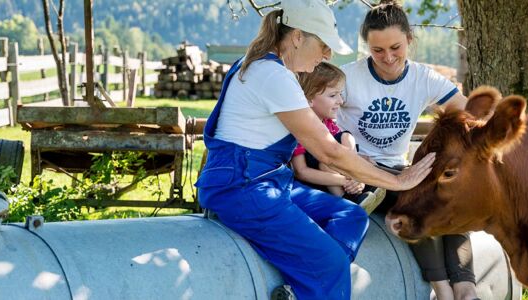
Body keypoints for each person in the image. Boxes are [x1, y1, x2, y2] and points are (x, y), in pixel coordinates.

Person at [194, 1, 435, 299]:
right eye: (323, 45)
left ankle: (300, 286)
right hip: (242, 189)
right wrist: (399, 181)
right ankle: (320, 274)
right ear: (297, 36)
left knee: (352, 217)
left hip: (267, 183)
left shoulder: (265, 67)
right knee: (330, 264)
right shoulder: (272, 75)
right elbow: (329, 152)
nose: (327, 55)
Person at [335, 2, 477, 300]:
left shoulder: (423, 78)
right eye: (377, 50)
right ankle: (441, 290)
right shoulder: (347, 78)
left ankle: (466, 287)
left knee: (450, 193)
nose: (387, 58)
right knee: (415, 200)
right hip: (361, 173)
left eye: (395, 47)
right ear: (367, 47)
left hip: (399, 168)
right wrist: (347, 151)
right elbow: (322, 124)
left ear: (410, 40)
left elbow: (468, 115)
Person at [290, 62, 386, 212]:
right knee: (326, 162)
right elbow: (301, 172)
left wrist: (353, 176)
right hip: (314, 180)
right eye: (333, 95)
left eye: (340, 94)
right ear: (308, 99)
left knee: (346, 137)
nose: (340, 101)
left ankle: (356, 181)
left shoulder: (328, 123)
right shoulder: (299, 129)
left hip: (337, 174)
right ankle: (347, 198)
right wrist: (344, 180)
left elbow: (342, 151)